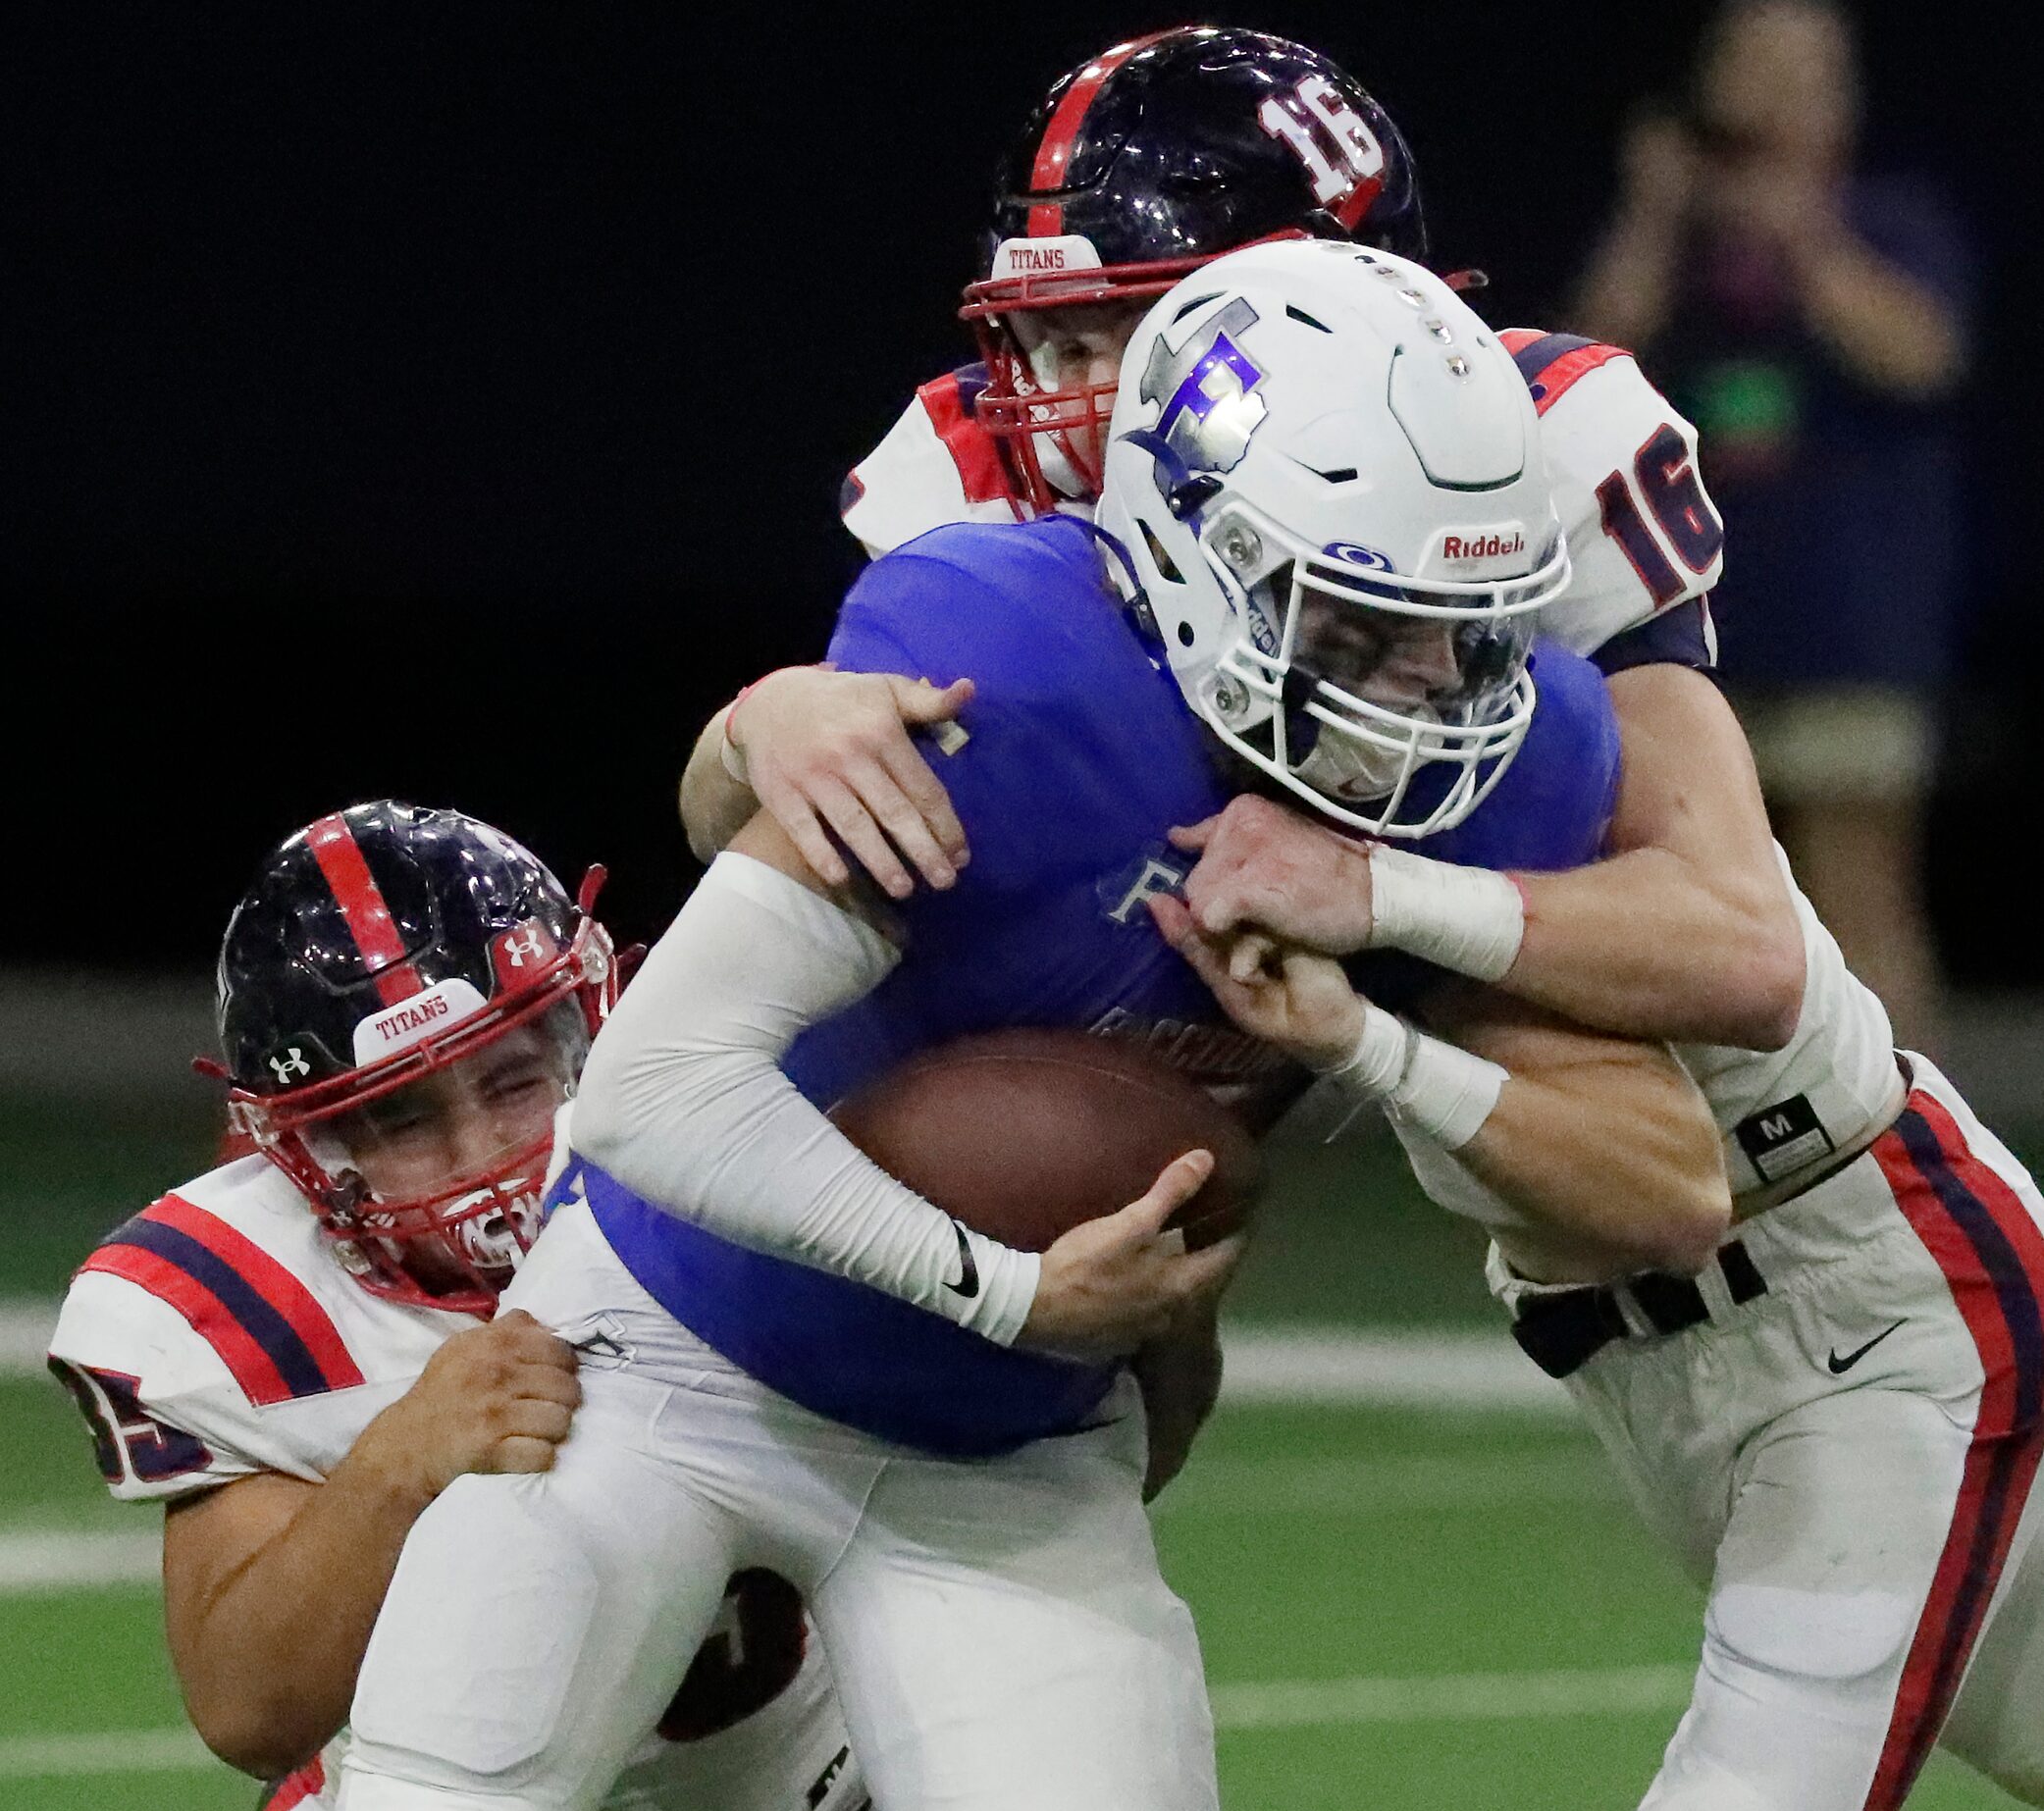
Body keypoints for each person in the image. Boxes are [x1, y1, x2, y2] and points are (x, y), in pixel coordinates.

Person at [332, 244, 1734, 1811]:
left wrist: (1364, 1013)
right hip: (668, 1346)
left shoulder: (1525, 755)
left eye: (1465, 633)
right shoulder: (1006, 664)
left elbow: (1666, 1185)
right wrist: (1007, 1285)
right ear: (1201, 554)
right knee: (442, 1806)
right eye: (1359, 627)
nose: (1428, 694)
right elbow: (646, 1095)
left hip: (1002, 1450)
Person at [1118, 344, 2043, 1811]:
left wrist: (1377, 898)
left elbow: (1732, 996)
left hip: (1873, 1297)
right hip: (1658, 1353)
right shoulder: (1146, 608)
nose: (1077, 376)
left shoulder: (1524, 576)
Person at [680, 25, 1807, 1072]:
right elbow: (765, 839)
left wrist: (1376, 896)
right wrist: (759, 730)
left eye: (1123, 337)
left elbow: (1741, 952)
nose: (1069, 405)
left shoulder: (1523, 453)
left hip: (1762, 1159)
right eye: (1046, 340)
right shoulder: (970, 475)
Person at [45, 802, 883, 1811]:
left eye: (514, 1080)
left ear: (595, 1024)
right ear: (295, 1150)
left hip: (848, 1792)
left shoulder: (753, 1131)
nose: (482, 1153)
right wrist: (400, 1461)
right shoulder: (236, 1296)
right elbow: (251, 1709)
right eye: (401, 1120)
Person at [1572, 0, 1971, 1050]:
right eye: (1756, 64)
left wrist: (1801, 230)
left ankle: (1909, 1120)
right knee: (1691, 882)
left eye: (1805, 70)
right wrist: (1654, 215)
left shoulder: (1891, 218)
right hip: (1694, 626)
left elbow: (1921, 358)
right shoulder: (1674, 236)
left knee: (1862, 882)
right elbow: (1586, 361)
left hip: (1853, 619)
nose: (1779, 91)